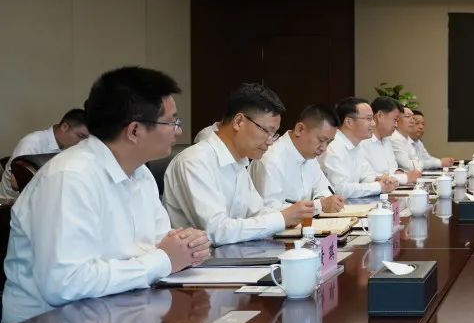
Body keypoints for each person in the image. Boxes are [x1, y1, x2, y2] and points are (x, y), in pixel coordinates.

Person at [2, 67, 211, 323]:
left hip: (120, 312)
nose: (178, 132)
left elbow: (158, 243)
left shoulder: (141, 173)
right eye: (172, 122)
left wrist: (187, 245)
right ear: (134, 131)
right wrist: (164, 259)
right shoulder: (70, 177)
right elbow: (65, 283)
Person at [163, 83, 314, 245]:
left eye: (274, 134)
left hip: (234, 253)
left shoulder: (239, 163)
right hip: (202, 258)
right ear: (239, 121)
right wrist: (281, 218)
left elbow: (256, 212)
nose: (270, 141)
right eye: (266, 131)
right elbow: (217, 231)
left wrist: (292, 215)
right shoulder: (195, 161)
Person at [250, 104, 345, 214]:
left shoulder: (311, 157)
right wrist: (319, 206)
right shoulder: (270, 159)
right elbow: (269, 211)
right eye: (321, 140)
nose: (324, 148)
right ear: (300, 129)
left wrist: (328, 202)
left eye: (328, 142)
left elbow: (324, 190)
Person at [1, 109, 91, 200]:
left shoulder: (71, 147)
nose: (82, 142)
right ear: (64, 127)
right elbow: (15, 184)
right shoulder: (32, 142)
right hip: (12, 203)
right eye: (80, 136)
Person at [319, 97, 397, 198]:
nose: (373, 124)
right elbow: (341, 189)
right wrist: (379, 186)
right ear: (349, 122)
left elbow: (366, 175)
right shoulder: (333, 147)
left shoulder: (357, 145)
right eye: (368, 119)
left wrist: (379, 180)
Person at [358, 96, 421, 185]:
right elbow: (368, 178)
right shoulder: (362, 141)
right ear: (380, 115)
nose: (396, 125)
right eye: (395, 120)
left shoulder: (387, 140)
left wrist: (398, 172)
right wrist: (405, 177)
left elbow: (392, 170)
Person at [388, 105, 422, 171]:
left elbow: (417, 161)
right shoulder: (394, 138)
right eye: (408, 116)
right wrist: (419, 165)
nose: (412, 121)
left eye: (413, 118)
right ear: (396, 120)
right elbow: (409, 166)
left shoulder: (407, 138)